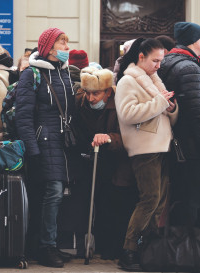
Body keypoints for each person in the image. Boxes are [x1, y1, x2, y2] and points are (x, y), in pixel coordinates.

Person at [114, 38, 178, 271]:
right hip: (144, 147)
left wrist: (171, 108)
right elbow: (128, 114)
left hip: (161, 145)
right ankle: (129, 251)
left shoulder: (153, 79)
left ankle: (146, 250)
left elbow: (162, 111)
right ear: (141, 57)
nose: (159, 65)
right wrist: (161, 102)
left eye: (161, 60)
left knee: (158, 201)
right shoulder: (128, 81)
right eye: (155, 60)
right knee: (150, 199)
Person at [15, 27, 75, 268]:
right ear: (49, 47)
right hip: (44, 141)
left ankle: (50, 243)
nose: (66, 48)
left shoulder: (65, 73)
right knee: (53, 191)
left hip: (63, 143)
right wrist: (32, 148)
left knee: (58, 195)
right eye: (62, 43)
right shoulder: (32, 74)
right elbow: (23, 116)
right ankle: (45, 247)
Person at [74, 67, 137, 260]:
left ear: (108, 92)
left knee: (114, 203)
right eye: (88, 92)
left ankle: (114, 247)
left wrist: (109, 137)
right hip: (91, 158)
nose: (91, 98)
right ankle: (98, 245)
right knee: (93, 203)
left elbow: (129, 135)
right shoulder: (80, 102)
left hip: (118, 160)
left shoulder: (120, 103)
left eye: (96, 93)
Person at [158, 22, 200, 226]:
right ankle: (188, 249)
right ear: (195, 41)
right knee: (191, 197)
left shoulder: (165, 62)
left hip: (170, 141)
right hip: (189, 145)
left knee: (177, 195)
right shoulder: (189, 66)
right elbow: (196, 112)